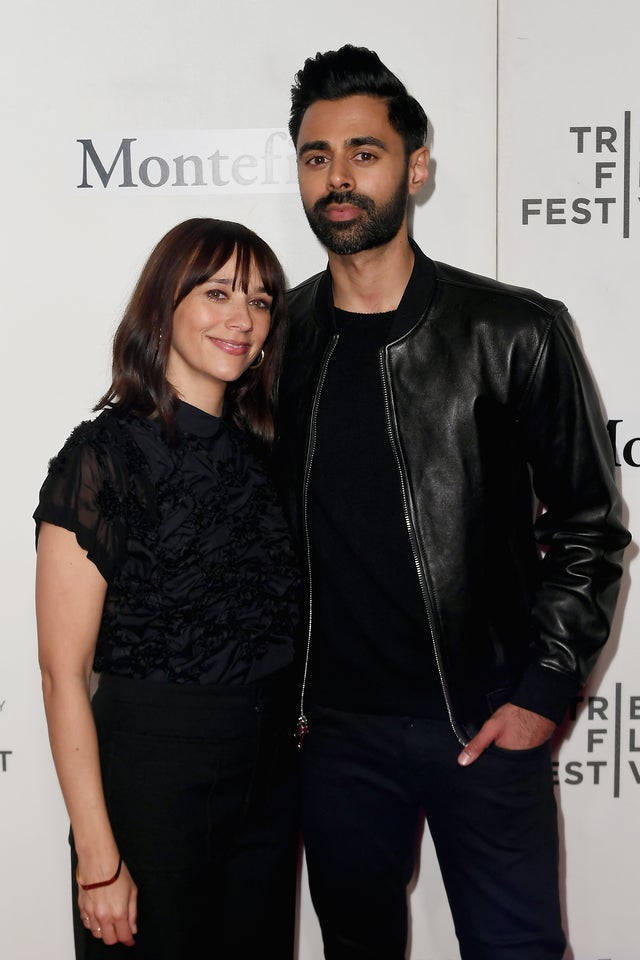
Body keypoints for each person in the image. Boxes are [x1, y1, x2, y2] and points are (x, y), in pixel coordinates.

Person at [275, 45, 631, 960]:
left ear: (416, 168)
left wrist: (542, 694)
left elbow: (591, 526)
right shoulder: (279, 342)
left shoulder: (513, 331)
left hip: (484, 723)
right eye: (318, 157)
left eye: (365, 151)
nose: (340, 178)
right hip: (335, 738)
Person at [34, 218, 300, 959]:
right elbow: (63, 674)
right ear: (165, 303)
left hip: (269, 786)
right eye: (217, 293)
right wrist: (98, 859)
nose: (242, 319)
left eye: (261, 300)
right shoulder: (104, 455)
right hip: (152, 788)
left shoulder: (265, 456)